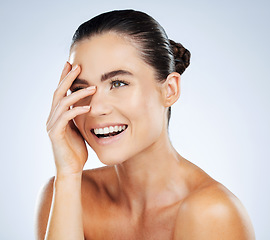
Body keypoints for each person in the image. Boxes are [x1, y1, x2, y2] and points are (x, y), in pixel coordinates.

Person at [35, 9, 255, 240]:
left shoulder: (210, 213)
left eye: (118, 83)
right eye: (80, 89)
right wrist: (68, 173)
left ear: (170, 90)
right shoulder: (64, 193)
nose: (97, 107)